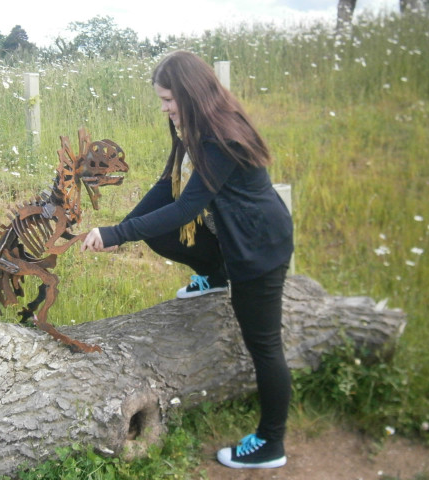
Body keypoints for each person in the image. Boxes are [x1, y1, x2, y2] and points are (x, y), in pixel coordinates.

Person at [81, 50, 293, 470]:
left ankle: (271, 443)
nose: (164, 108)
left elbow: (185, 208)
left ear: (191, 93)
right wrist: (121, 230)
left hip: (258, 247)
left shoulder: (221, 134)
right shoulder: (192, 123)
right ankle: (215, 275)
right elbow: (169, 185)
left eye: (168, 100)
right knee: (156, 230)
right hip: (230, 235)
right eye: (161, 100)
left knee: (264, 346)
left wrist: (117, 233)